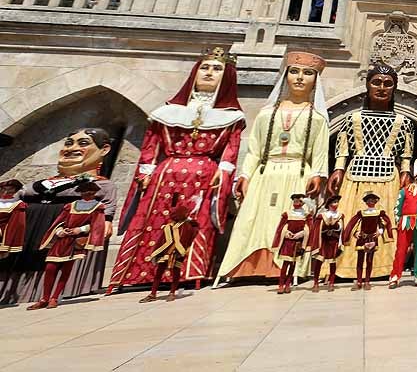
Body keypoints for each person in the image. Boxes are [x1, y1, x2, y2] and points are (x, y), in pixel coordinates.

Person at [109, 47, 244, 292]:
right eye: (204, 67)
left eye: (216, 69)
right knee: (154, 221)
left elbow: (230, 152)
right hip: (165, 175)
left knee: (194, 223)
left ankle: (189, 273)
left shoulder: (230, 117)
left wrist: (222, 174)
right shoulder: (167, 113)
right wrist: (145, 172)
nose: (209, 73)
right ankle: (140, 273)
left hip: (203, 177)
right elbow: (150, 147)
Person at [219, 52, 330, 282]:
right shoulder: (266, 114)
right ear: (286, 76)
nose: (300, 78)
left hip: (296, 174)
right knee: (252, 219)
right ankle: (245, 267)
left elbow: (319, 152)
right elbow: (255, 149)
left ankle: (285, 269)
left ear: (315, 81)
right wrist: (246, 174)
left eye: (308, 73)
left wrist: (318, 174)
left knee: (292, 221)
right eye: (294, 71)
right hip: (265, 173)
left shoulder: (317, 118)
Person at [1, 129, 116, 306]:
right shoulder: (39, 184)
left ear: (104, 150)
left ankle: (53, 295)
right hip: (32, 231)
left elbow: (105, 206)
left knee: (58, 263)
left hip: (68, 231)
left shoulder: (100, 185)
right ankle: (30, 293)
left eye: (83, 143)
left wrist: (106, 220)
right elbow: (15, 200)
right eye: (69, 143)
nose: (71, 148)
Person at [327, 61, 415, 281]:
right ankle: (347, 268)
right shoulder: (352, 118)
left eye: (388, 83)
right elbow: (343, 147)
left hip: (388, 177)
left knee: (386, 224)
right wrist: (338, 168)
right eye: (376, 82)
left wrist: (406, 171)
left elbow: (406, 152)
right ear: (367, 85)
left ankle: (384, 267)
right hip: (355, 176)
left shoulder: (403, 121)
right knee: (352, 220)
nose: (382, 88)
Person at [27, 179, 107, 310]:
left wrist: (80, 230)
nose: (87, 195)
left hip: (76, 242)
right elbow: (59, 221)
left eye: (90, 193)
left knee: (66, 270)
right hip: (62, 240)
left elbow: (97, 225)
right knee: (50, 268)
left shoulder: (98, 207)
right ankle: (44, 298)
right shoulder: (70, 206)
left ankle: (54, 297)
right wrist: (60, 231)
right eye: (85, 192)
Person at [139, 202, 198, 303]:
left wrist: (180, 250)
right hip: (165, 253)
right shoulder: (168, 226)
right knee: (159, 272)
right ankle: (153, 294)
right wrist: (158, 252)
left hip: (177, 253)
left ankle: (172, 292)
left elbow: (187, 238)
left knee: (175, 272)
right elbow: (162, 240)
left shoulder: (187, 226)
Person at [390, 160, 417, 288]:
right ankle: (395, 277)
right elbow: (397, 207)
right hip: (406, 222)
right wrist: (399, 222)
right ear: (415, 177)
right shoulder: (405, 190)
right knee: (401, 250)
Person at [343, 192, 393, 290]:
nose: (371, 201)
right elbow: (353, 224)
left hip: (373, 238)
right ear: (366, 202)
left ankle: (367, 281)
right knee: (360, 260)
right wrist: (355, 233)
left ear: (375, 201)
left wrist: (380, 231)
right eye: (369, 200)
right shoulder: (361, 213)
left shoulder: (379, 213)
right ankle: (359, 282)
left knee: (369, 261)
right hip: (362, 238)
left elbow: (384, 223)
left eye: (373, 200)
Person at [271, 193, 310, 294]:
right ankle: (281, 285)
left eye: (299, 201)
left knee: (293, 264)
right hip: (288, 242)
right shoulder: (287, 214)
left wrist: (302, 233)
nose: (296, 202)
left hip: (298, 243)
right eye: (295, 200)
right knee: (285, 264)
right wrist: (286, 232)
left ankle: (288, 284)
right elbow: (281, 227)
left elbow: (308, 228)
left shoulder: (306, 215)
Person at [309, 195, 344, 292]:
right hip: (323, 242)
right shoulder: (322, 216)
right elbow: (317, 229)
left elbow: (341, 228)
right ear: (329, 204)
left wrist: (335, 224)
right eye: (334, 202)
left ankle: (332, 283)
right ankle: (315, 283)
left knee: (332, 263)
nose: (336, 204)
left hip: (333, 241)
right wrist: (326, 226)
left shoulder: (340, 215)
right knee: (319, 262)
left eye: (337, 202)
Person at [0, 179, 26, 257]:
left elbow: (17, 224)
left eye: (10, 189)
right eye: (4, 189)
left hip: (2, 233)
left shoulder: (18, 204)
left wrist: (7, 243)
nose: (6, 192)